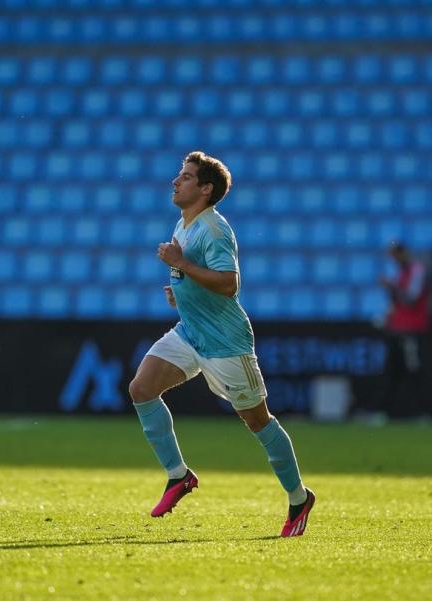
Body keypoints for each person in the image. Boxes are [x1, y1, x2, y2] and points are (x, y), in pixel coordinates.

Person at [128, 151, 315, 538]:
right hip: (190, 331)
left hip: (226, 344)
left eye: (185, 177)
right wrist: (180, 292)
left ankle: (299, 497)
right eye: (178, 175)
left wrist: (182, 265)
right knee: (142, 388)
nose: (175, 182)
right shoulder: (184, 224)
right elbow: (197, 279)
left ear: (205, 189)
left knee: (257, 421)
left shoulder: (214, 229)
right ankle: (178, 476)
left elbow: (229, 284)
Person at [377, 241, 431, 420]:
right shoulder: (400, 273)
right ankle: (385, 413)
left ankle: (422, 412)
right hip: (397, 329)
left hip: (412, 329)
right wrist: (387, 317)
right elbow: (399, 302)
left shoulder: (416, 270)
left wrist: (391, 286)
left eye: (396, 254)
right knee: (393, 371)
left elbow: (411, 299)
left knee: (413, 370)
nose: (395, 258)